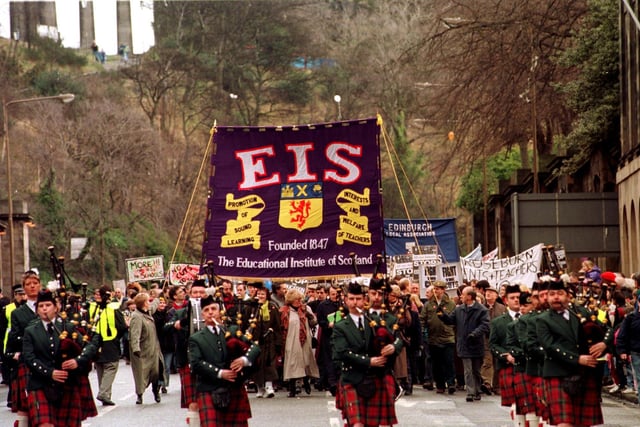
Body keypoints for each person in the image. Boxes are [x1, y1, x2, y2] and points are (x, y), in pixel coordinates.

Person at [22, 290, 101, 427]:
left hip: (67, 385)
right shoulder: (30, 331)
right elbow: (29, 357)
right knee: (44, 424)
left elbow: (89, 346)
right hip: (40, 383)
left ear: (56, 307)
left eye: (48, 305)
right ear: (37, 310)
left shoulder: (68, 327)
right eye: (41, 306)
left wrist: (78, 361)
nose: (44, 309)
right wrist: (49, 372)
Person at [536, 280, 606, 427]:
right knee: (564, 422)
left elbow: (608, 329)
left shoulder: (580, 315)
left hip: (583, 374)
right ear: (546, 298)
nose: (556, 297)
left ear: (568, 297)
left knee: (583, 423)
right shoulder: (542, 320)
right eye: (552, 294)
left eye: (560, 294)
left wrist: (604, 343)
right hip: (557, 373)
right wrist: (577, 359)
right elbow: (549, 346)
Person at [332, 281, 402, 427]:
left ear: (364, 300)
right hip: (352, 378)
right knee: (357, 424)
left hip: (375, 377)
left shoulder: (374, 321)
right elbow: (342, 353)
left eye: (357, 299)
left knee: (373, 425)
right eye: (351, 299)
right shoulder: (340, 326)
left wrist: (393, 347)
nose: (354, 302)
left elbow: (398, 339)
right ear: (345, 301)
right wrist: (369, 361)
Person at [188, 294, 260, 427]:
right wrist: (220, 373)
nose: (210, 312)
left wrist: (244, 360)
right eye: (206, 310)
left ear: (220, 311)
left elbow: (254, 347)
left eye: (213, 309)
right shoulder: (196, 338)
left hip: (233, 388)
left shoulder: (232, 331)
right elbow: (196, 363)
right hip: (209, 388)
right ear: (202, 316)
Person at [167, 279, 208, 426]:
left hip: (211, 361)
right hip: (187, 360)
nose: (198, 295)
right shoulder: (181, 312)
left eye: (201, 292)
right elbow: (166, 327)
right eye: (195, 292)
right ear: (189, 295)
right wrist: (177, 323)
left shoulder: (214, 311)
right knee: (193, 402)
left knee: (210, 402)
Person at [439, 286, 490, 402]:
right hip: (464, 344)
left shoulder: (482, 310)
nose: (460, 296)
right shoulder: (459, 309)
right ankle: (470, 392)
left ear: (469, 297)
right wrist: (441, 315)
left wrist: (475, 334)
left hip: (476, 344)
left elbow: (485, 325)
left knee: (476, 370)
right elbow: (450, 320)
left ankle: (477, 390)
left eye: (462, 294)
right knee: (467, 370)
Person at [6, 271, 43, 427]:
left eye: (35, 283)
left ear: (40, 285)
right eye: (28, 284)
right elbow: (14, 338)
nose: (32, 286)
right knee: (26, 407)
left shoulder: (48, 305)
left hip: (48, 360)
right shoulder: (17, 313)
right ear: (24, 288)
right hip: (28, 362)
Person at [489, 285, 524, 423]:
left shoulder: (530, 319)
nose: (516, 300)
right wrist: (506, 355)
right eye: (512, 298)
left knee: (529, 403)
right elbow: (493, 344)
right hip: (507, 366)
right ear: (506, 301)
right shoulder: (498, 322)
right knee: (515, 404)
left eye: (518, 297)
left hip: (527, 366)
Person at [280, 288, 319, 397]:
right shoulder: (284, 311)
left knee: (305, 361)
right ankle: (292, 388)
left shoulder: (306, 309)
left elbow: (314, 322)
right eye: (296, 299)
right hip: (290, 340)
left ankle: (306, 381)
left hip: (304, 339)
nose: (298, 301)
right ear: (290, 300)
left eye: (299, 299)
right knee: (292, 363)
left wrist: (310, 317)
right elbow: (281, 326)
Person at [92, 285, 127, 406]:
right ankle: (104, 393)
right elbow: (122, 326)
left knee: (101, 367)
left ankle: (106, 395)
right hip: (110, 341)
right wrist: (117, 337)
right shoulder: (114, 307)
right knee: (111, 367)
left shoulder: (92, 307)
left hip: (95, 342)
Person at [419, 280, 456, 394]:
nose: (436, 291)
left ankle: (450, 383)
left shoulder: (451, 304)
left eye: (438, 289)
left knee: (448, 361)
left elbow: (454, 320)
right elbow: (422, 319)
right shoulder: (429, 304)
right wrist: (422, 331)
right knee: (436, 363)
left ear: (443, 290)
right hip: (433, 338)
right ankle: (440, 384)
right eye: (435, 289)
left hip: (447, 337)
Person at [129, 292, 165, 404]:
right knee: (141, 374)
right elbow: (135, 334)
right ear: (144, 303)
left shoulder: (148, 312)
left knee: (156, 372)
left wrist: (159, 297)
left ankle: (156, 390)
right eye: (148, 301)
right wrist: (136, 348)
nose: (149, 302)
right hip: (143, 351)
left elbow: (154, 306)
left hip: (154, 349)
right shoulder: (136, 317)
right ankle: (140, 394)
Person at [251, 282, 281, 398]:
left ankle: (269, 386)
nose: (260, 296)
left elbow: (277, 326)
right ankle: (259, 387)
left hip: (269, 341)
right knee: (257, 365)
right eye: (259, 294)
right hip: (256, 341)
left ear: (267, 295)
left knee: (270, 364)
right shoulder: (252, 307)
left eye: (263, 294)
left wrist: (278, 342)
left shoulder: (272, 307)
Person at [315, 284, 343, 395]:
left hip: (342, 336)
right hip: (328, 336)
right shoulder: (323, 305)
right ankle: (333, 384)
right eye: (332, 294)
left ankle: (341, 382)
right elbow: (320, 321)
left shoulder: (342, 305)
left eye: (336, 294)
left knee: (340, 359)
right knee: (329, 360)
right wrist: (328, 324)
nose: (334, 296)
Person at [481, 285, 506, 394]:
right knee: (487, 361)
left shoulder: (502, 308)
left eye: (491, 292)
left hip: (498, 339)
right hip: (485, 338)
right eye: (487, 292)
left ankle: (497, 386)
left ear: (496, 295)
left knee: (497, 362)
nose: (488, 294)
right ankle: (486, 383)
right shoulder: (481, 307)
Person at [616, 291, 640, 404]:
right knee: (639, 378)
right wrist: (622, 350)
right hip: (636, 352)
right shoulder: (631, 318)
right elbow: (622, 335)